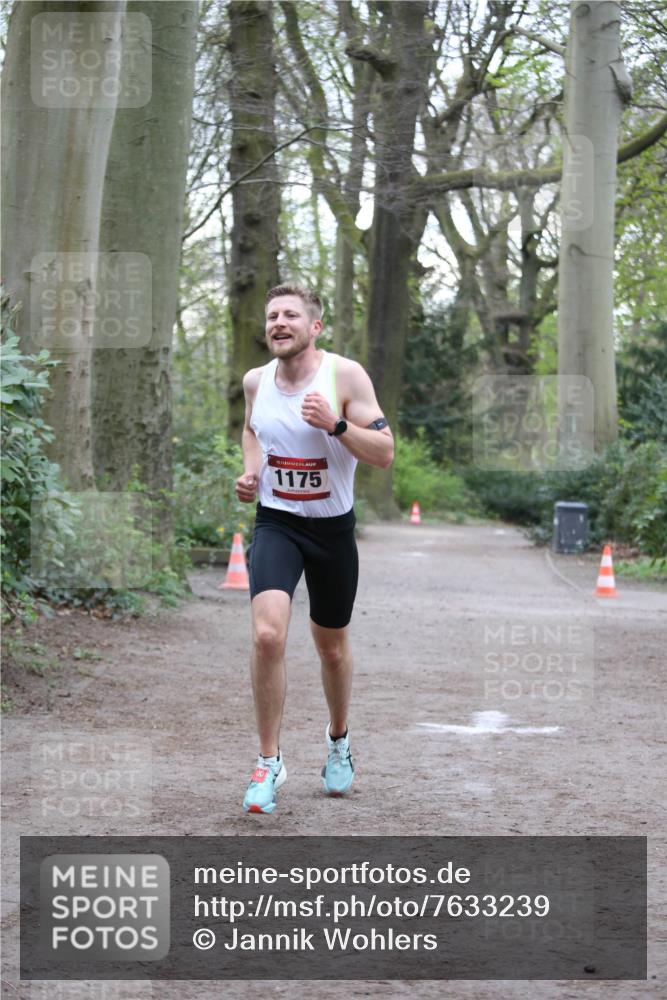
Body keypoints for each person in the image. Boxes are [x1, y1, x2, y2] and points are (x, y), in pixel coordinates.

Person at [235, 284, 394, 814]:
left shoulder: (344, 376)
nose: (279, 323)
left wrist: (336, 424)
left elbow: (385, 452)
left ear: (314, 327)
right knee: (267, 633)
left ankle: (338, 739)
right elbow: (250, 429)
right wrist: (253, 471)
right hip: (276, 523)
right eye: (272, 315)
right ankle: (268, 761)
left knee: (330, 648)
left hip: (331, 531)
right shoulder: (256, 381)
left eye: (290, 316)